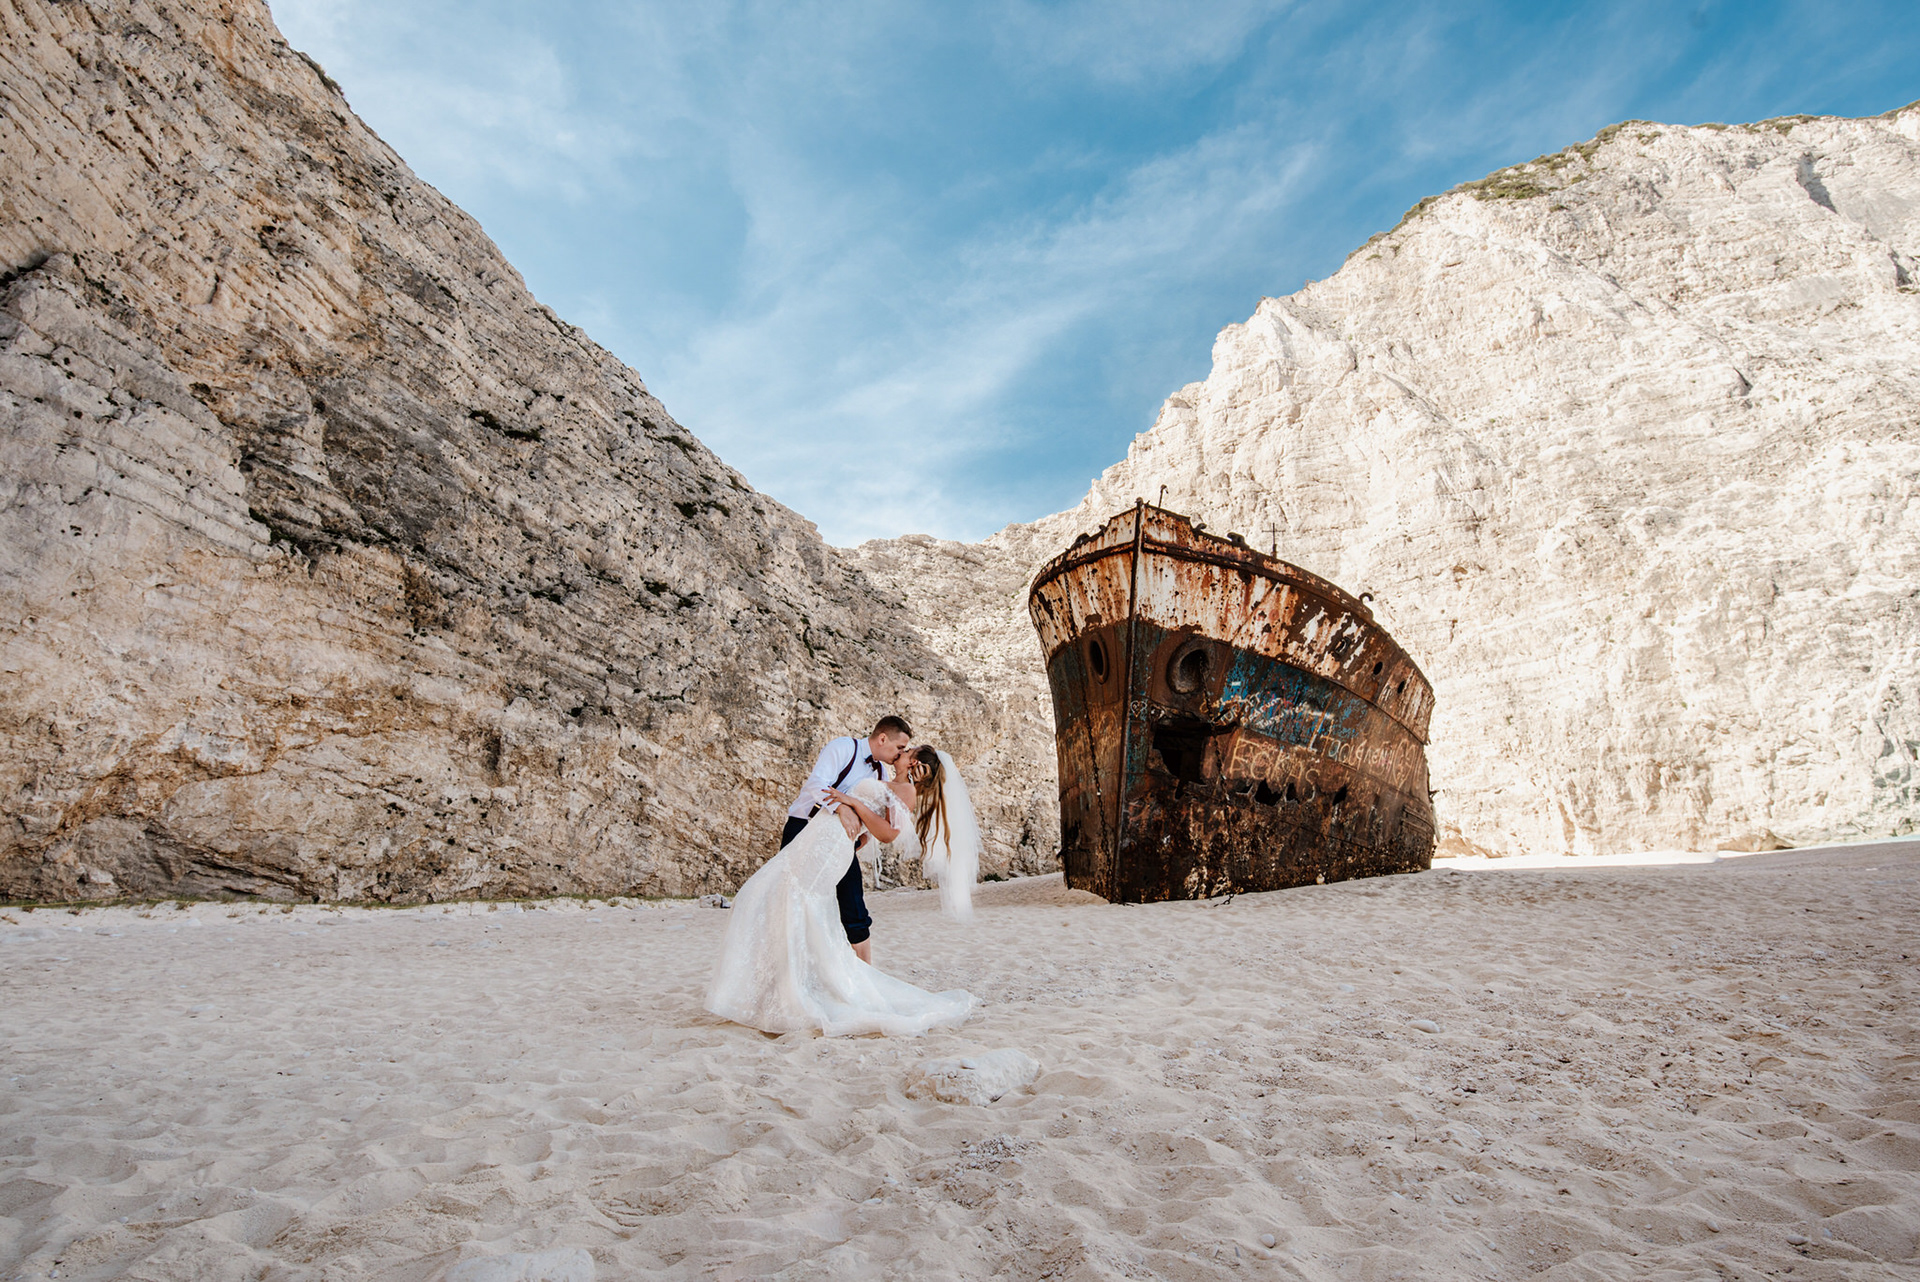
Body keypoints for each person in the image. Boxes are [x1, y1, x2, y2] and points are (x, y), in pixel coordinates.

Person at [704, 743, 979, 1037]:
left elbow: (888, 834)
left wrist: (853, 804)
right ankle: (778, 987)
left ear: (913, 762)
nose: (903, 750)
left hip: (831, 845)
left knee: (796, 902)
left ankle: (797, 991)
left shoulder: (907, 791)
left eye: (908, 749)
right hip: (818, 836)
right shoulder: (885, 777)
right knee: (764, 894)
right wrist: (851, 810)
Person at [782, 717, 912, 962]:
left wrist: (864, 836)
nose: (900, 753)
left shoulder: (882, 772)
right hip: (803, 828)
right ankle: (793, 964)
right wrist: (841, 807)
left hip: (839, 842)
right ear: (882, 738)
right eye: (899, 747)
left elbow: (872, 812)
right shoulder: (843, 747)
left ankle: (864, 969)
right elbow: (817, 784)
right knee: (793, 899)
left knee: (853, 901)